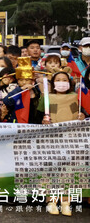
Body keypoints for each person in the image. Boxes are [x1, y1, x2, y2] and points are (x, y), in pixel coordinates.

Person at [38, 71, 86, 216]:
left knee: (68, 171)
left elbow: (78, 115)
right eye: (58, 79)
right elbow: (38, 116)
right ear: (53, 83)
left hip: (70, 139)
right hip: (51, 139)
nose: (61, 82)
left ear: (69, 82)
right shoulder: (47, 98)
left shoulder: (75, 98)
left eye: (64, 79)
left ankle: (66, 201)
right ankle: (51, 201)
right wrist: (43, 121)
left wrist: (82, 116)